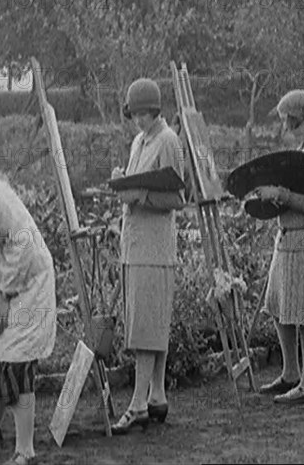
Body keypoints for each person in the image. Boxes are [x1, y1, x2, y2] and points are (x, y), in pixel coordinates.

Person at [111, 78, 185, 433]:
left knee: (145, 327)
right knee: (149, 323)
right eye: (134, 113)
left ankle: (138, 403)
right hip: (136, 245)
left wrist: (138, 196)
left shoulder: (168, 141)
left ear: (155, 110)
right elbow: (138, 184)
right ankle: (156, 395)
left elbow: (176, 198)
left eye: (144, 113)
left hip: (155, 249)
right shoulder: (139, 141)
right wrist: (123, 180)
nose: (139, 119)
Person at [255, 89, 304, 405]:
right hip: (288, 237)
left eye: (284, 119)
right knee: (279, 305)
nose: (282, 126)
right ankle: (290, 372)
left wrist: (282, 194)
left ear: (293, 118)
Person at [0, 173, 57, 465]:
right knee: (1, 357)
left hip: (28, 279)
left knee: (17, 362)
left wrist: (4, 293)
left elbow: (22, 241)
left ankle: (26, 451)